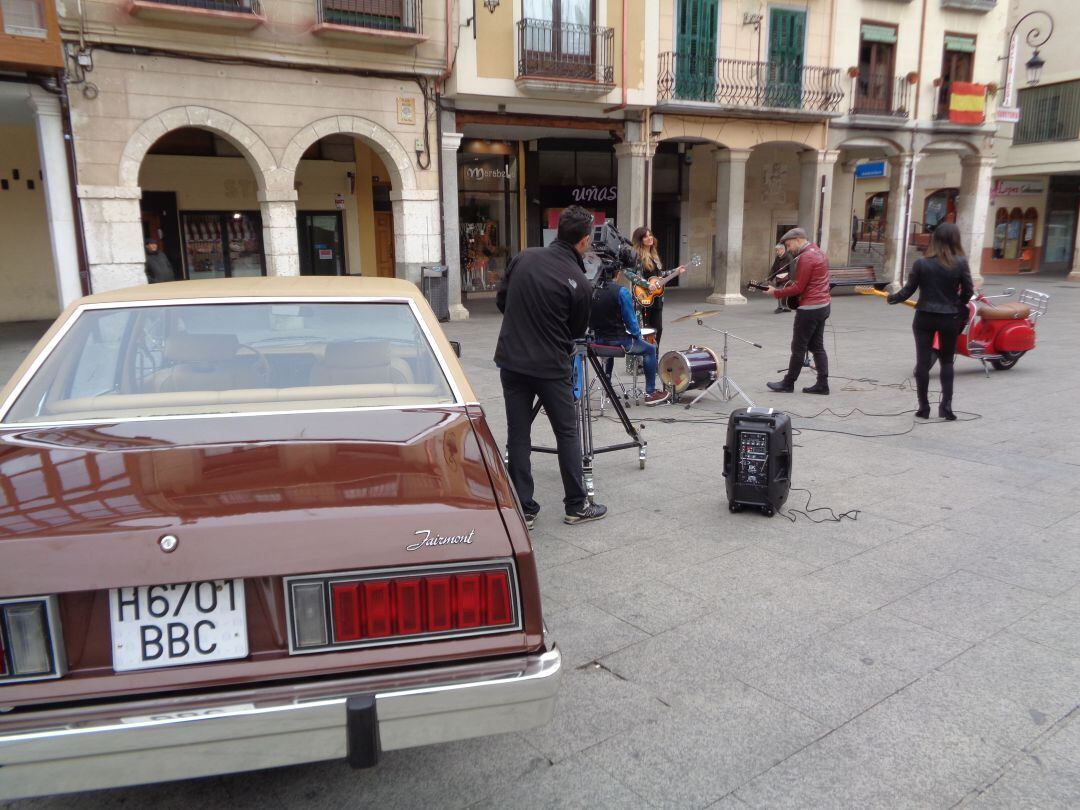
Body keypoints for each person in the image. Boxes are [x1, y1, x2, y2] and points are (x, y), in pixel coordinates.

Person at [494, 205, 607, 528]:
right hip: (551, 366)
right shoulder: (580, 282)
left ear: (559, 232)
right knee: (566, 433)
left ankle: (523, 509)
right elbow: (575, 332)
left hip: (512, 361)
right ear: (584, 241)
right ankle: (576, 505)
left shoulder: (525, 256)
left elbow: (503, 301)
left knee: (518, 432)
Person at [887, 222, 974, 421]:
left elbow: (908, 290)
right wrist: (958, 304)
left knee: (923, 363)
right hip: (949, 317)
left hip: (924, 316)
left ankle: (923, 407)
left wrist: (893, 298)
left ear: (934, 240)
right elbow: (968, 291)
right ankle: (947, 407)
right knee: (946, 362)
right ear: (955, 239)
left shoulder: (921, 263)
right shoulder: (960, 262)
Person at [761, 227, 832, 395]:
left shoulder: (806, 257)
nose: (788, 249)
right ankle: (823, 384)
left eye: (789, 244)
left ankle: (788, 383)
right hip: (823, 305)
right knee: (817, 346)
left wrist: (775, 292)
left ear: (799, 239)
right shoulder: (819, 252)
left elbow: (799, 287)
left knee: (798, 347)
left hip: (809, 308)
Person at [590, 265, 670, 406]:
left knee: (608, 354)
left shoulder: (591, 291)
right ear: (617, 274)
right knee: (650, 349)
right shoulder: (621, 292)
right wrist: (637, 336)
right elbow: (631, 322)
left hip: (597, 342)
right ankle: (650, 393)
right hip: (618, 341)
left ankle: (608, 389)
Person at [628, 227, 667, 350]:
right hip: (643, 299)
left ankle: (654, 359)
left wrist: (676, 271)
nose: (649, 238)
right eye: (645, 236)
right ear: (640, 240)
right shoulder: (636, 256)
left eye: (650, 235)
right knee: (645, 330)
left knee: (658, 329)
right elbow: (627, 272)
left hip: (657, 299)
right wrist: (645, 284)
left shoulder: (654, 255)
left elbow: (659, 276)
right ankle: (643, 362)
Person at [768, 243, 792, 314]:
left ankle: (780, 307)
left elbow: (792, 269)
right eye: (776, 250)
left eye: (777, 250)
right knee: (782, 292)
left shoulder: (789, 257)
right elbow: (774, 268)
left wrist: (792, 279)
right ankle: (785, 307)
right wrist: (770, 277)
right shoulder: (778, 257)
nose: (776, 252)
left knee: (779, 291)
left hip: (786, 278)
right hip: (779, 278)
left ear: (782, 250)